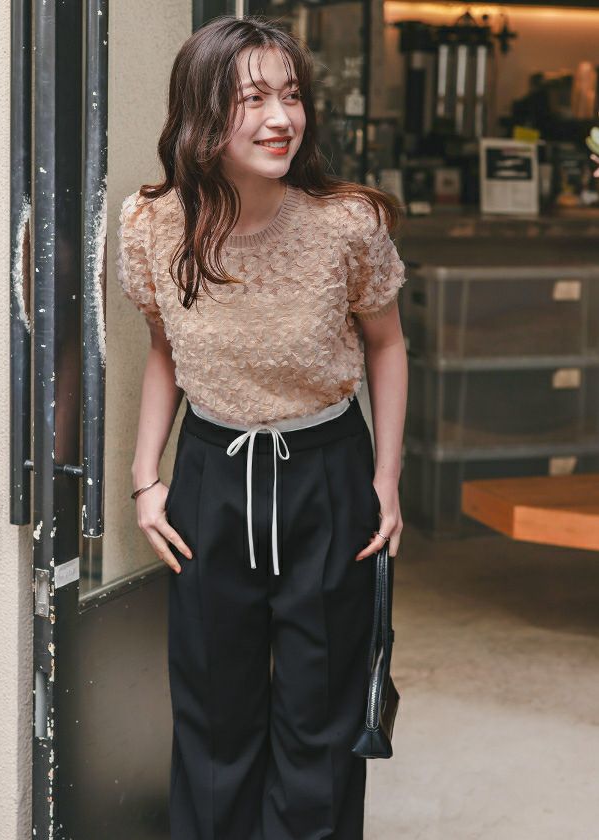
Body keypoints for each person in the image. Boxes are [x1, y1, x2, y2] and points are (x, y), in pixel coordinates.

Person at [116, 14, 407, 840]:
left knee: (321, 714)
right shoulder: (151, 223)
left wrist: (385, 483)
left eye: (292, 96)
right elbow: (165, 351)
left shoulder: (347, 222)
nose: (282, 118)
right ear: (202, 111)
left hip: (327, 472)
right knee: (213, 711)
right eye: (253, 99)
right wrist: (146, 479)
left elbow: (387, 346)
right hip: (212, 474)